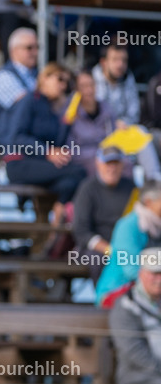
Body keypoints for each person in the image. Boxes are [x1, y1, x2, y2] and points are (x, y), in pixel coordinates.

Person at [3, 63, 86, 216]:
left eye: (66, 83)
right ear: (45, 78)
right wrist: (46, 151)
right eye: (60, 79)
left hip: (42, 165)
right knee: (79, 172)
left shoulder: (52, 108)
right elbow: (17, 137)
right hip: (21, 162)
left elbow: (56, 144)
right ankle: (56, 218)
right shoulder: (30, 101)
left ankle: (56, 221)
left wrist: (66, 124)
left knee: (71, 182)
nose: (63, 86)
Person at [108, 245, 161, 384]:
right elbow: (133, 352)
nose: (159, 279)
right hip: (137, 373)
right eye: (154, 273)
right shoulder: (125, 305)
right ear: (142, 273)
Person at [66, 69, 161, 180]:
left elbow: (112, 132)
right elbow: (72, 148)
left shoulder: (104, 106)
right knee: (119, 164)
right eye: (83, 86)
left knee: (141, 133)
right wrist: (100, 153)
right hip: (88, 158)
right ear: (76, 90)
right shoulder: (70, 113)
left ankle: (155, 180)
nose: (89, 90)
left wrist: (119, 127)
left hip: (111, 150)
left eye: (92, 85)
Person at [72, 146, 138, 282]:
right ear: (98, 163)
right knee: (99, 260)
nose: (112, 168)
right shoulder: (87, 189)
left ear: (122, 165)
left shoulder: (131, 188)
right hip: (96, 247)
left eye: (116, 163)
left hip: (127, 244)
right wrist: (109, 249)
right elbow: (81, 231)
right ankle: (104, 300)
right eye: (108, 163)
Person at [97, 180, 161, 306]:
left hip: (151, 289)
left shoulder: (156, 227)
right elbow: (131, 270)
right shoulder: (128, 226)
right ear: (149, 202)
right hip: (117, 291)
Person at [0, 28, 40, 146]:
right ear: (14, 50)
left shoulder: (35, 75)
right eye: (29, 48)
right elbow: (27, 106)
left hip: (31, 144)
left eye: (37, 47)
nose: (35, 52)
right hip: (8, 145)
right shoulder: (3, 76)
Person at [93, 45, 141, 127]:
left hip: (124, 130)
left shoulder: (129, 79)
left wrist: (124, 123)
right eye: (115, 60)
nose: (120, 65)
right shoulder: (90, 81)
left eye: (124, 60)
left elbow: (134, 114)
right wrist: (113, 124)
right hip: (97, 130)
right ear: (103, 62)